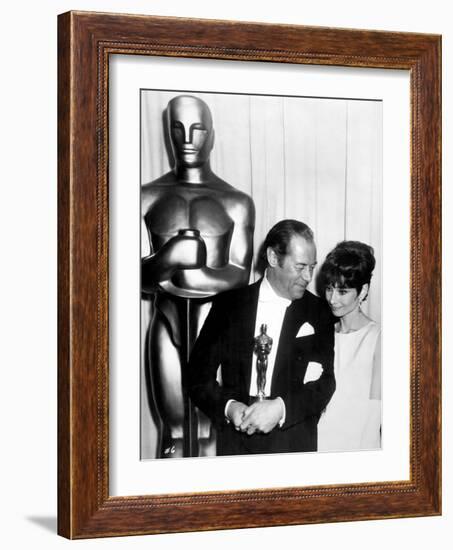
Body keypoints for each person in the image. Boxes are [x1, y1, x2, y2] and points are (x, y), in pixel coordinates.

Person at [141, 95, 255, 458]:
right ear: (167, 133)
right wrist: (169, 257)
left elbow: (240, 276)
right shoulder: (145, 197)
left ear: (212, 135)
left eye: (197, 129)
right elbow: (135, 275)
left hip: (217, 325)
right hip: (168, 322)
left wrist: (187, 273)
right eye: (178, 128)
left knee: (211, 431)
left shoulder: (236, 201)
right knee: (173, 432)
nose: (187, 138)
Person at [188, 219, 335, 456]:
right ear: (273, 258)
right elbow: (197, 377)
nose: (308, 277)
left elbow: (326, 383)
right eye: (300, 267)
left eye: (312, 266)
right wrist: (228, 408)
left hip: (293, 445)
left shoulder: (319, 312)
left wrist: (280, 409)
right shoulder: (229, 305)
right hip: (236, 446)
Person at [317, 241, 381, 452]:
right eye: (329, 289)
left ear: (363, 290)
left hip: (357, 448)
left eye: (342, 291)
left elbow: (375, 413)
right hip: (316, 445)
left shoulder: (378, 338)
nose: (332, 299)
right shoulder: (322, 333)